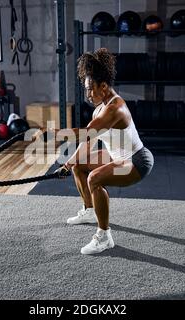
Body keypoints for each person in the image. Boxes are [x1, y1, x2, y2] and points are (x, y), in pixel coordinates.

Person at [46, 48, 154, 254]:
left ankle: (104, 236)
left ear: (103, 86)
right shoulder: (99, 108)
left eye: (90, 89)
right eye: (86, 89)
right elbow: (87, 140)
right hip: (119, 158)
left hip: (137, 161)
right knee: (79, 166)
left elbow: (86, 132)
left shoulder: (115, 108)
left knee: (94, 178)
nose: (87, 95)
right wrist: (68, 165)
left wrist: (52, 134)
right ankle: (89, 210)